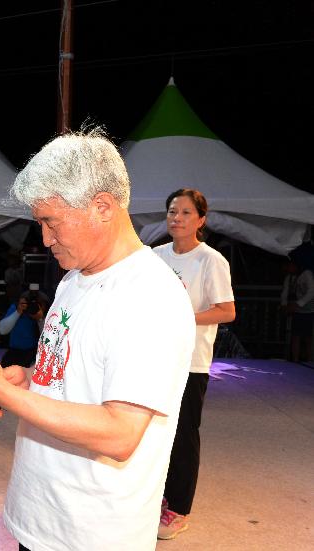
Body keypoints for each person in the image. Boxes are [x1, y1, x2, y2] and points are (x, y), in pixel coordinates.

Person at [0, 128, 195, 550]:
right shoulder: (74, 279)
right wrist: (28, 378)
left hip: (90, 534)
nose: (45, 239)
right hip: (41, 516)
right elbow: (79, 374)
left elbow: (119, 433)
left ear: (102, 207)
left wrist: (1, 390)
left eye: (50, 222)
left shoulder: (150, 294)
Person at [153, 188, 236, 539]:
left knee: (184, 435)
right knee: (154, 432)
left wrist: (182, 317)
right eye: (173, 211)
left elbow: (227, 311)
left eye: (186, 213)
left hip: (190, 363)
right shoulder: (154, 256)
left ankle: (179, 509)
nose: (177, 218)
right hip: (155, 358)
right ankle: (154, 498)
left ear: (201, 219)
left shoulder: (211, 260)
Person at [280, 258, 314, 362]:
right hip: (298, 311)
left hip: (310, 310)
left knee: (309, 337)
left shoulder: (307, 274)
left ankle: (310, 361)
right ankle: (295, 360)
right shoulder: (289, 278)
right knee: (295, 335)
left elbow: (312, 292)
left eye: (290, 266)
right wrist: (284, 305)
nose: (288, 268)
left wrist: (297, 304)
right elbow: (285, 293)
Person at [0, 289, 42, 367]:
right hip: (14, 352)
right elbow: (2, 330)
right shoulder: (16, 308)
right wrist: (18, 312)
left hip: (35, 352)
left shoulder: (45, 309)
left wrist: (40, 318)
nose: (32, 304)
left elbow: (49, 335)